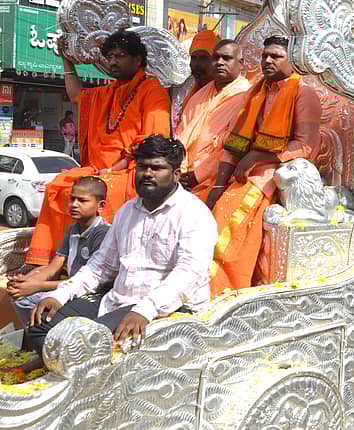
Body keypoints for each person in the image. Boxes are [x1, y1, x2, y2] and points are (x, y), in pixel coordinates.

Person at [25, 136, 217, 367]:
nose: (147, 174)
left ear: (176, 174)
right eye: (143, 167)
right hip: (117, 299)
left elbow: (189, 273)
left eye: (157, 168)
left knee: (84, 344)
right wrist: (61, 294)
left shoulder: (194, 213)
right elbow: (101, 265)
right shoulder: (127, 211)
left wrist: (145, 310)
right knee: (39, 325)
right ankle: (67, 369)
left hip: (167, 307)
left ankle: (73, 374)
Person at [25, 30, 170, 266]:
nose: (113, 62)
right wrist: (66, 60)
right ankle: (51, 261)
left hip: (132, 170)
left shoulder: (152, 90)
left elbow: (154, 141)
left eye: (120, 56)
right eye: (110, 57)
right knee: (58, 186)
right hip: (97, 169)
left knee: (95, 194)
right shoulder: (109, 91)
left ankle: (97, 264)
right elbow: (76, 96)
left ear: (138, 60)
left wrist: (115, 168)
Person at [206, 36, 322, 294]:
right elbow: (235, 143)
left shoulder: (304, 93)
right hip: (243, 169)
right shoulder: (257, 91)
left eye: (276, 56)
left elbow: (305, 146)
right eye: (264, 55)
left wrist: (257, 157)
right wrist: (217, 185)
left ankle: (221, 290)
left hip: (277, 172)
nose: (268, 61)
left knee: (230, 216)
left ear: (293, 60)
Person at [6, 177, 109, 328]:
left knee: (39, 307)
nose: (74, 204)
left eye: (82, 200)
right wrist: (25, 282)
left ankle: (45, 335)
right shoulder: (73, 229)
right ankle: (34, 334)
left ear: (101, 205)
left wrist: (38, 286)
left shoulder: (103, 234)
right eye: (72, 199)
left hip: (90, 293)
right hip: (69, 285)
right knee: (20, 296)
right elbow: (53, 268)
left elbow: (91, 283)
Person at [175, 40, 251, 202]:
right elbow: (181, 136)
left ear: (241, 63)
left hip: (220, 177)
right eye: (215, 58)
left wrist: (198, 175)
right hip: (182, 174)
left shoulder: (247, 97)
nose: (219, 62)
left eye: (227, 58)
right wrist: (180, 169)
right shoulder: (198, 96)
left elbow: (233, 148)